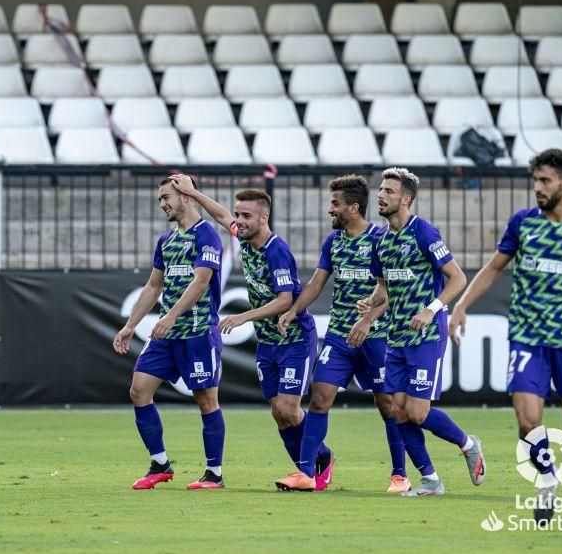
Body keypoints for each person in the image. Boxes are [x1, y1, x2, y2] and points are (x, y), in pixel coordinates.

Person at [449, 149, 562, 531]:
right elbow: (492, 269)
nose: (537, 188)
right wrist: (461, 306)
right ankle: (546, 480)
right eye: (535, 180)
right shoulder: (523, 224)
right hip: (527, 339)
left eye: (545, 181)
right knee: (528, 422)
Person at [169, 174, 334, 491]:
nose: (239, 221)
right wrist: (194, 193)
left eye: (246, 216)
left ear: (263, 217)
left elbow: (285, 300)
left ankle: (305, 473)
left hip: (294, 339)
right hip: (268, 342)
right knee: (278, 413)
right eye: (239, 214)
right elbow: (220, 215)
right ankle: (321, 458)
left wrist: (243, 316)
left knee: (289, 408)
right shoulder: (243, 238)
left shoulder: (276, 250)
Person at [274, 175, 407, 493]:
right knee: (319, 399)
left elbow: (394, 292)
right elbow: (316, 284)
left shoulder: (381, 238)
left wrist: (368, 320)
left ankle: (400, 474)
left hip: (376, 337)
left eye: (335, 204)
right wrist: (293, 311)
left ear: (354, 207)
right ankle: (306, 472)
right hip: (339, 337)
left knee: (387, 404)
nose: (330, 209)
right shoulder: (333, 242)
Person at [359, 168, 485, 497]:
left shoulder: (423, 232)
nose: (381, 195)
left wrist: (432, 309)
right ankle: (430, 480)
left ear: (406, 199)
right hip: (396, 337)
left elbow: (457, 278)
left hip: (426, 337)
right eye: (380, 190)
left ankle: (468, 444)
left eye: (388, 191)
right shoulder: (379, 240)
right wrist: (371, 303)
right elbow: (383, 287)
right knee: (397, 410)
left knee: (417, 411)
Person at [113, 177, 226, 490]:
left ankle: (214, 474)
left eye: (166, 197)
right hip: (168, 334)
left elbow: (201, 281)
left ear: (185, 197)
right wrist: (130, 325)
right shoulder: (166, 240)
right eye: (160, 199)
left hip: (198, 331)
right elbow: (153, 286)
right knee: (139, 389)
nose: (162, 204)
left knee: (206, 400)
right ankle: (160, 463)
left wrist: (171, 316)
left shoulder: (207, 235)